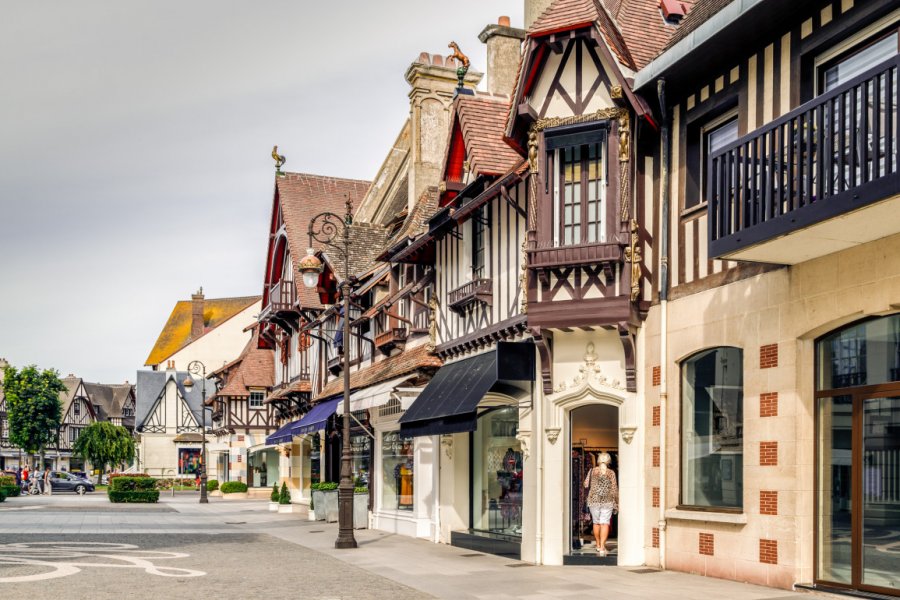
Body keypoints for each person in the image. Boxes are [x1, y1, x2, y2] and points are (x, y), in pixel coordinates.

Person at [583, 452, 618, 556]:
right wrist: (616, 502)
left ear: (598, 460)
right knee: (605, 523)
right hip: (607, 500)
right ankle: (603, 547)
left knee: (596, 522)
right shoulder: (611, 473)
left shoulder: (592, 471)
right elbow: (614, 489)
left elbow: (585, 484)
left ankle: (598, 544)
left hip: (594, 500)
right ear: (608, 461)